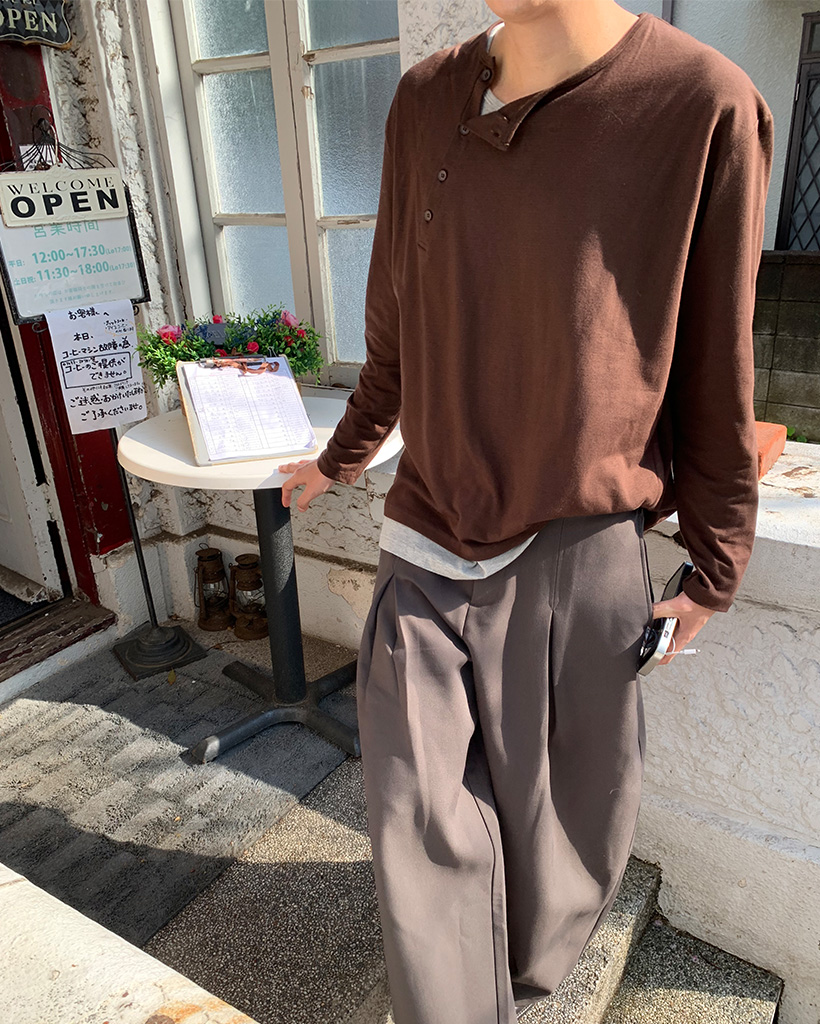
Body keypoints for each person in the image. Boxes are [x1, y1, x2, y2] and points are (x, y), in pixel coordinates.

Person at [278, 2, 774, 1021]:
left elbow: (715, 363)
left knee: (567, 841)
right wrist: (342, 456)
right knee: (417, 819)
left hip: (578, 549)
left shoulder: (704, 105)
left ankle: (513, 976)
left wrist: (716, 560)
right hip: (427, 533)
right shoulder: (425, 99)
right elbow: (395, 321)